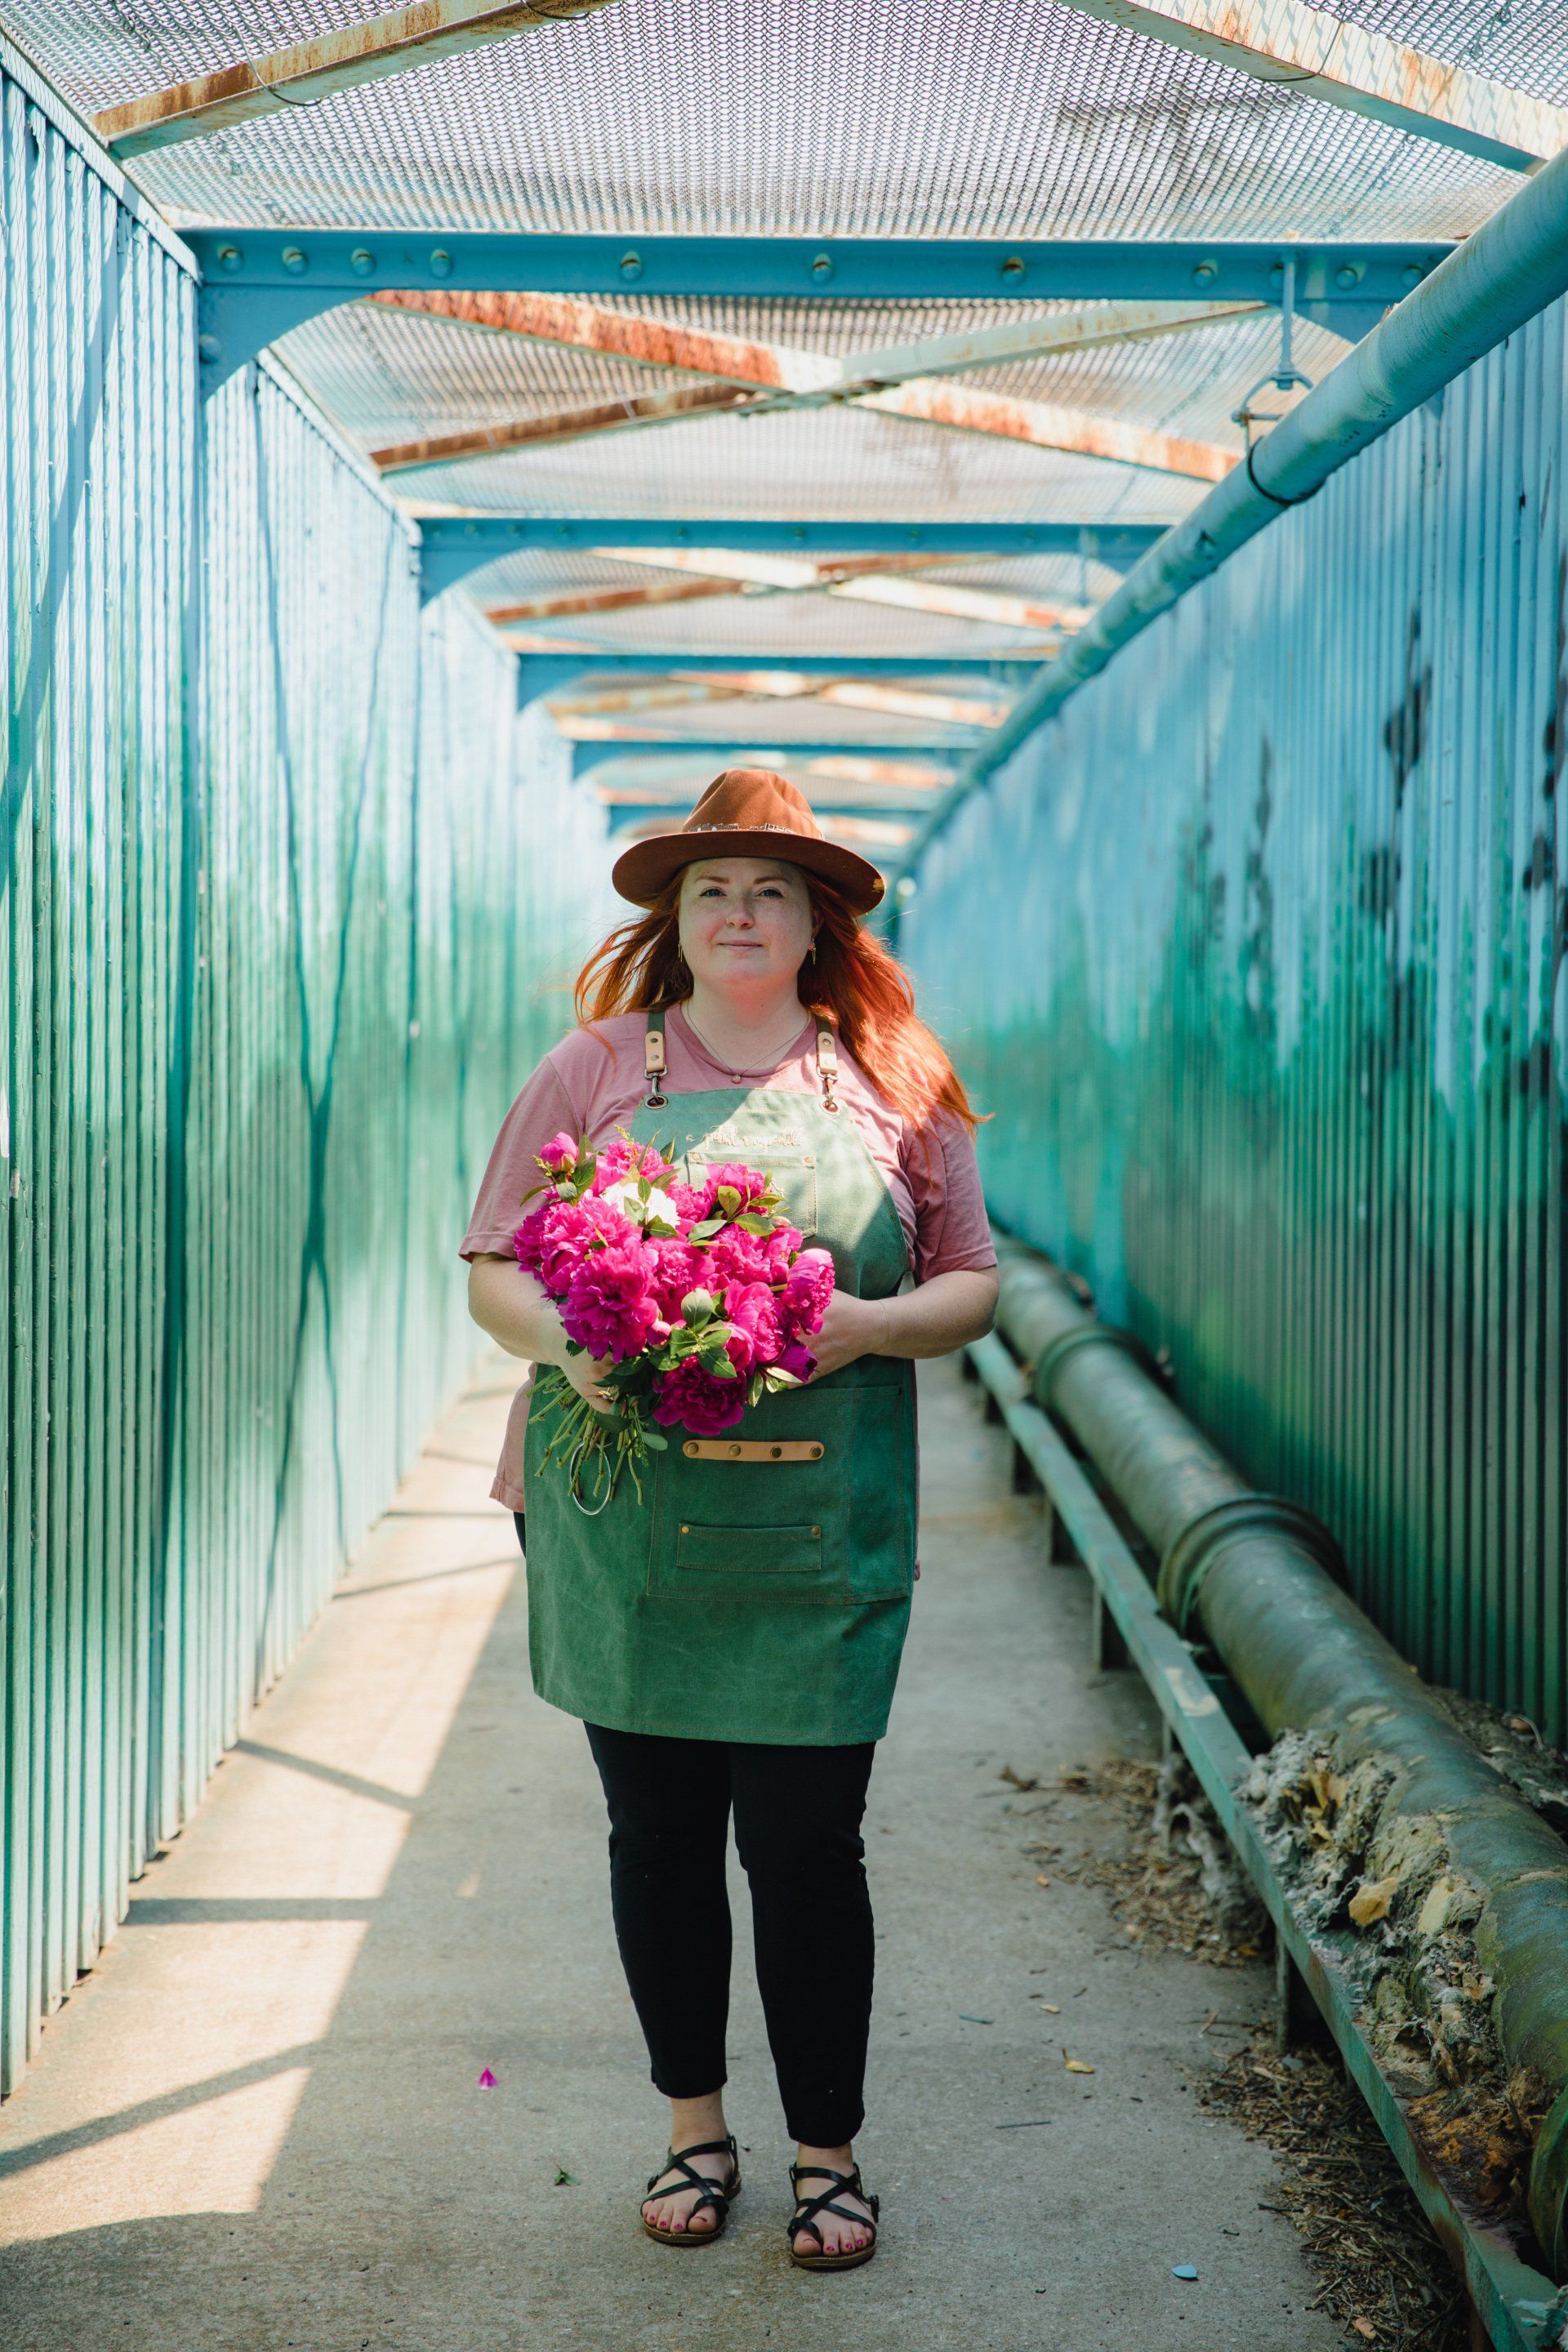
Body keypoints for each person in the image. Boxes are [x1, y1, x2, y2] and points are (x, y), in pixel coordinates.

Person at [462, 767, 998, 2272]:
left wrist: (868, 1326)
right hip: (623, 1518)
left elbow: (972, 1280)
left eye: (773, 890)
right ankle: (696, 2131)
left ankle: (830, 2154)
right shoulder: (591, 1073)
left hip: (817, 1525)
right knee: (658, 1838)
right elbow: (495, 1262)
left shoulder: (894, 1082)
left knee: (810, 1846)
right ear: (677, 921)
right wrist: (577, 1342)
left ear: (818, 920)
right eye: (715, 891)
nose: (743, 914)